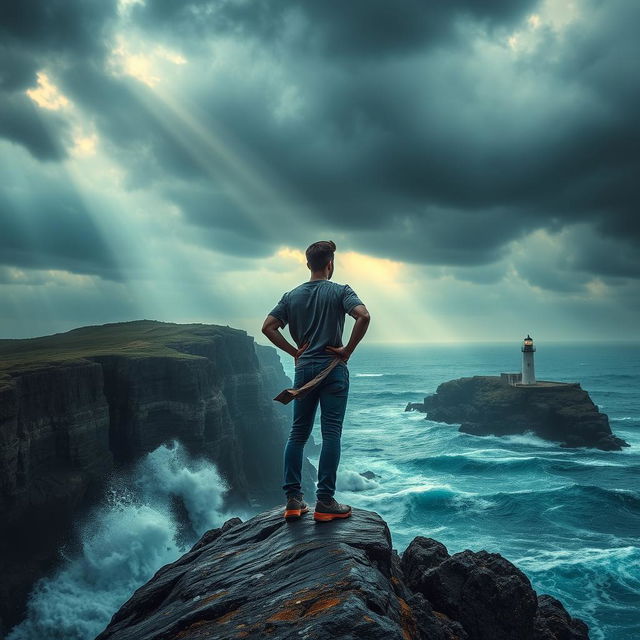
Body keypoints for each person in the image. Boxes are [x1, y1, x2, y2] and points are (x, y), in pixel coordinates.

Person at [262, 240, 370, 522]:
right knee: (331, 434)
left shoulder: (291, 296)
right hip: (333, 369)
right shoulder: (341, 291)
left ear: (308, 264)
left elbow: (268, 327)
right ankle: (324, 502)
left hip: (304, 371)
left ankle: (293, 502)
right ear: (330, 264)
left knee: (298, 434)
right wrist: (347, 350)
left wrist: (293, 351)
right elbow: (363, 316)